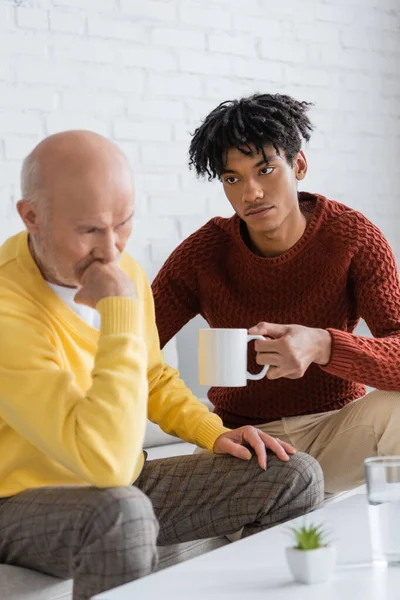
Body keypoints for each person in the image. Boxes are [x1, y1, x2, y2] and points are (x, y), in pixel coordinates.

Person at [0, 131, 323, 600]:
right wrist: (119, 312)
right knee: (120, 512)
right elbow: (105, 463)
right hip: (21, 502)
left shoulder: (123, 270)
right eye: (90, 229)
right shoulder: (9, 310)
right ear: (32, 216)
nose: (111, 250)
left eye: (124, 224)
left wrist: (213, 432)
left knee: (292, 475)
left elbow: (151, 376)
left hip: (126, 481)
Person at [152, 93, 400, 495]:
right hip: (245, 444)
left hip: (337, 432)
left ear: (298, 165)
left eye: (265, 170)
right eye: (232, 178)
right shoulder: (203, 254)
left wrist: (324, 345)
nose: (250, 193)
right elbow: (133, 351)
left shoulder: (353, 237)